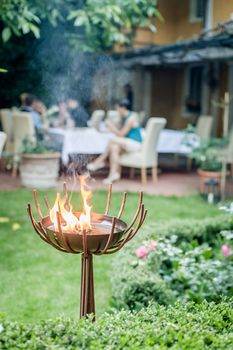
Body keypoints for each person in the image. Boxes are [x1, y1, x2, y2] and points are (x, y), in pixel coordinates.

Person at [87, 99, 142, 184]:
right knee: (114, 148)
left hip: (134, 143)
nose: (117, 111)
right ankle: (113, 175)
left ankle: (99, 161)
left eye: (118, 109)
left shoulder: (131, 118)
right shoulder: (122, 118)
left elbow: (121, 134)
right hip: (125, 143)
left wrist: (111, 126)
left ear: (123, 108)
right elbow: (113, 130)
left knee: (112, 140)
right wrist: (107, 127)